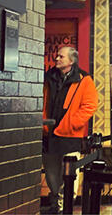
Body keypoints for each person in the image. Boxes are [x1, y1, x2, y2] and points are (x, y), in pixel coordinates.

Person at [43, 46, 98, 214]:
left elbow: (90, 106)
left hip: (70, 134)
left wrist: (71, 123)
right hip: (49, 132)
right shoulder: (48, 77)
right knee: (51, 173)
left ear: (71, 61)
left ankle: (64, 205)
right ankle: (55, 202)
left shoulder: (84, 79)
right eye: (57, 56)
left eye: (61, 56)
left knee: (70, 174)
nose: (56, 59)